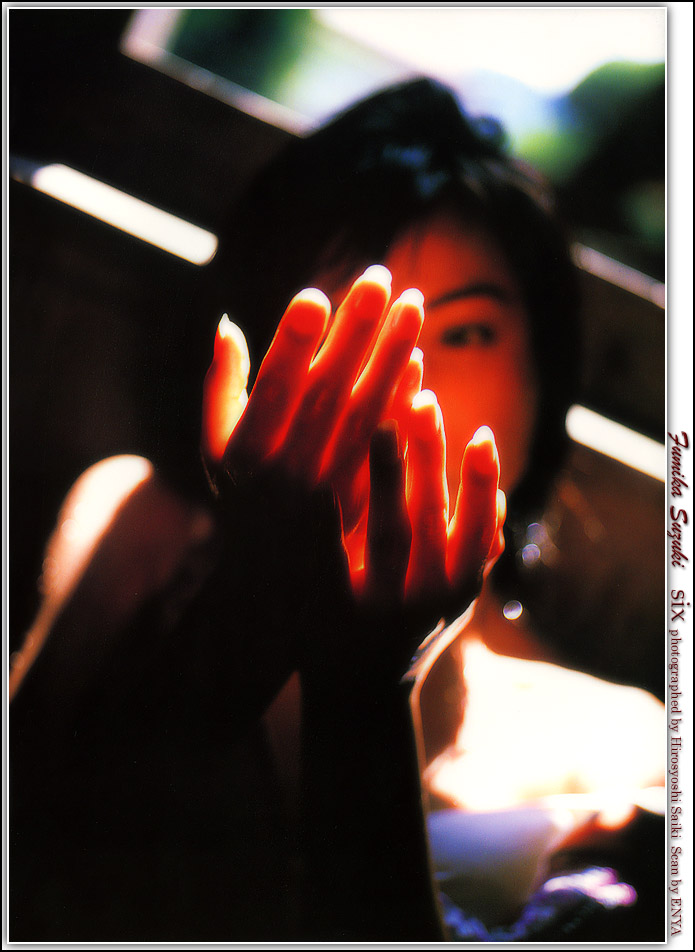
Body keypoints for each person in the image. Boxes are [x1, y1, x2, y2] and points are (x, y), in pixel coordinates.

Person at [9, 79, 664, 941]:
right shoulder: (145, 531)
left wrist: (365, 679)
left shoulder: (619, 750)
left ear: (545, 378)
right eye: (350, 328)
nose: (404, 384)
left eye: (465, 332)